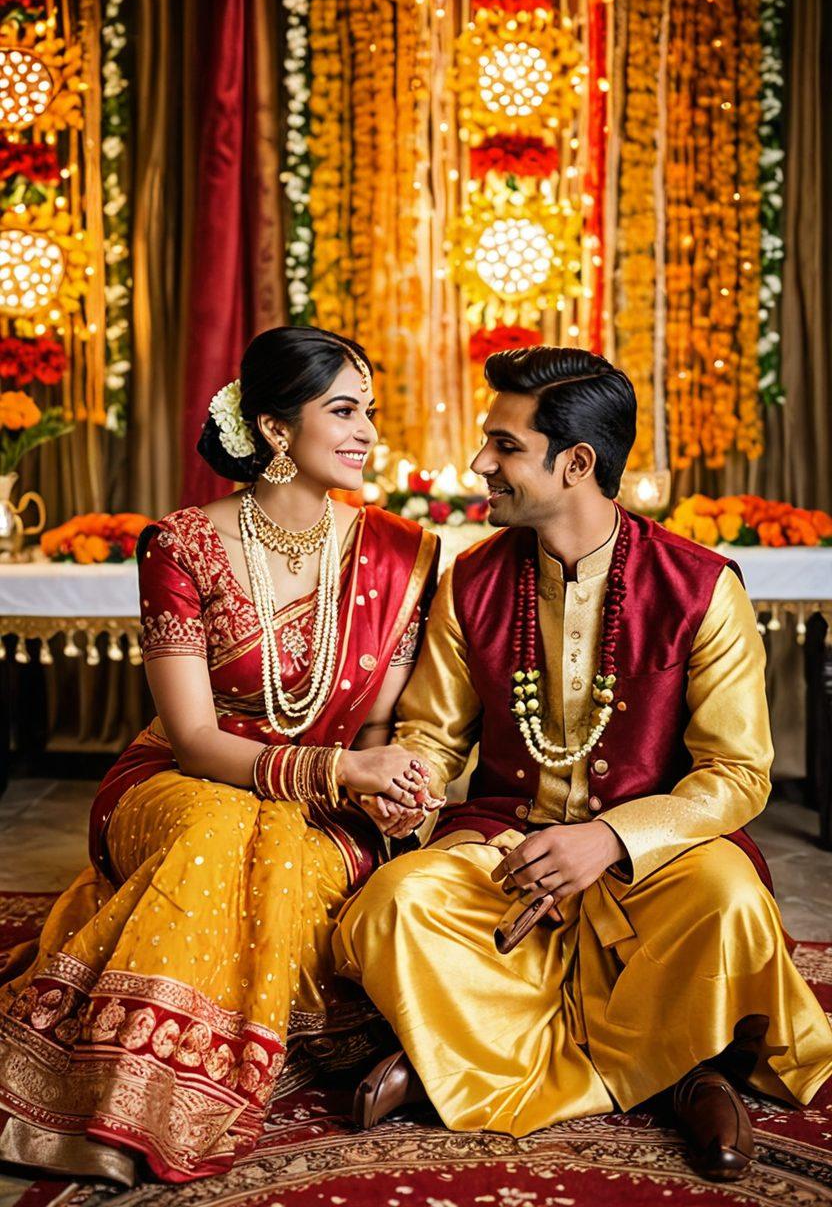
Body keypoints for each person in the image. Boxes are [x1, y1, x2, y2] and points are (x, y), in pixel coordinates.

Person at [334, 346, 832, 1183]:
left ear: (576, 464)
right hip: (508, 850)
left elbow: (738, 772)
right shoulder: (473, 581)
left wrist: (610, 839)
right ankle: (679, 1068)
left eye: (504, 446)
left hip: (657, 862)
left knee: (731, 901)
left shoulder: (700, 587)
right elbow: (432, 736)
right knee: (396, 903)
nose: (479, 462)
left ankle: (471, 1056)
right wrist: (408, 784)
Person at [0, 326, 439, 1183]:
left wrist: (388, 788)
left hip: (329, 805)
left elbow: (378, 730)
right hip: (180, 779)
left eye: (369, 412)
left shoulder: (396, 551)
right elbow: (196, 740)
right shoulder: (182, 545)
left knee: (276, 850)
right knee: (218, 829)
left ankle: (157, 1080)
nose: (367, 432)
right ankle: (125, 1098)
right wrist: (338, 770)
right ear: (275, 428)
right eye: (343, 411)